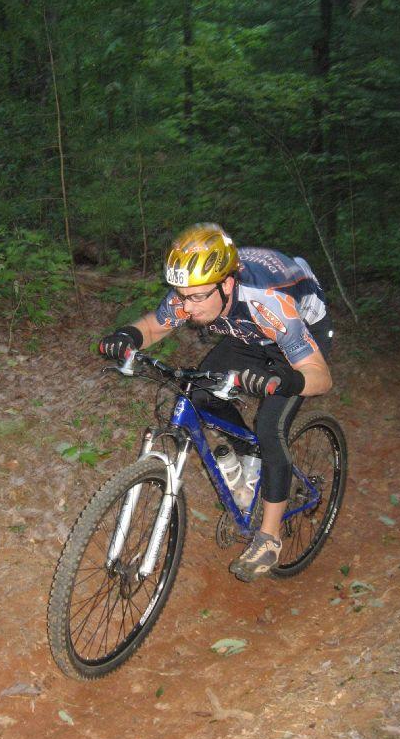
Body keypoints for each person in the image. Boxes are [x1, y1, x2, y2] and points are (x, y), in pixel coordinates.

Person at [99, 223, 333, 582]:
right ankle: (250, 456)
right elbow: (155, 327)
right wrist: (127, 335)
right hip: (246, 332)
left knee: (271, 428)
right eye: (181, 295)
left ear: (226, 284)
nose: (186, 307)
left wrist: (286, 380)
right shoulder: (196, 292)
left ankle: (268, 539)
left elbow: (320, 377)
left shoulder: (268, 300)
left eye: (195, 298)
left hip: (298, 336)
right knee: (198, 392)